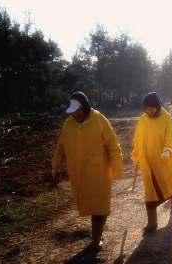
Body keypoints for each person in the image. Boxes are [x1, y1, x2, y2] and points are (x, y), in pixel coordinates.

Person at [52, 91, 123, 250]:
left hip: (100, 173)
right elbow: (60, 147)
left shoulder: (99, 120)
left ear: (84, 108)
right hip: (79, 174)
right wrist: (55, 167)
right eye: (73, 112)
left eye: (77, 111)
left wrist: (117, 168)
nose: (75, 115)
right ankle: (97, 237)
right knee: (92, 206)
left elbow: (113, 145)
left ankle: (96, 240)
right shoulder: (68, 124)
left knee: (100, 208)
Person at [132, 92, 172, 233]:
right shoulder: (143, 119)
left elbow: (171, 138)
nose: (149, 111)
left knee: (170, 185)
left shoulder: (167, 119)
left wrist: (167, 151)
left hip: (165, 161)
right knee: (150, 193)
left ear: (157, 106)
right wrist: (136, 154)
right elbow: (138, 138)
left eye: (152, 108)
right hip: (148, 163)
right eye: (147, 108)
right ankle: (152, 223)